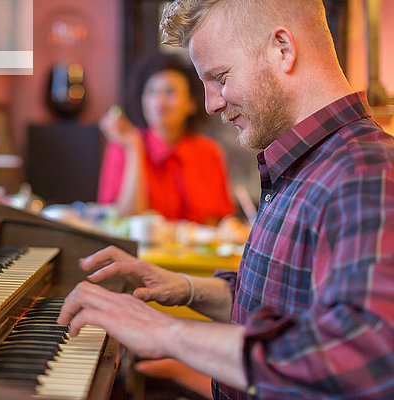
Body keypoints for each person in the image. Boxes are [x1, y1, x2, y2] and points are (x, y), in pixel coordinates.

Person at [58, 0, 394, 399]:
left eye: (220, 77)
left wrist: (165, 331)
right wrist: (185, 288)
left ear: (283, 49)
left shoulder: (365, 171)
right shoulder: (310, 161)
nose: (210, 103)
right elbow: (283, 306)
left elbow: (368, 362)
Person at [97, 52, 234, 224]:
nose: (159, 103)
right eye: (151, 92)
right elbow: (125, 223)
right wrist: (134, 150)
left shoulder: (208, 152)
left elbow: (215, 222)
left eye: (170, 92)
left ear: (191, 103)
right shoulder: (123, 146)